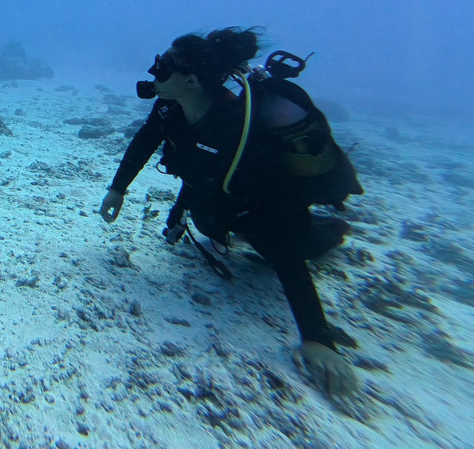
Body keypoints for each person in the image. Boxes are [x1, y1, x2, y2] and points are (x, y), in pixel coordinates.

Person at [99, 27, 360, 398]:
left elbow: (279, 216)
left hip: (271, 215)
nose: (154, 70)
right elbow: (156, 147)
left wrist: (316, 337)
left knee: (284, 247)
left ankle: (330, 230)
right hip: (220, 207)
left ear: (190, 80)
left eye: (164, 65)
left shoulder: (240, 130)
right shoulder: (170, 108)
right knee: (209, 222)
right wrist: (118, 189)